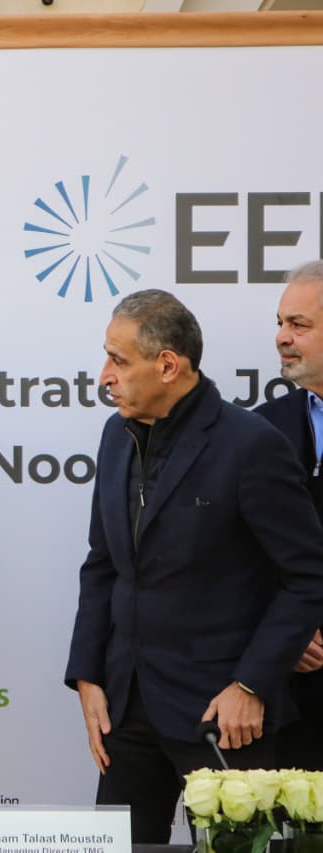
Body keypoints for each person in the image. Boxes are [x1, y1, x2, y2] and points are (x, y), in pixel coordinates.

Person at [65, 288, 323, 842]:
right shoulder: (116, 435)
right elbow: (102, 563)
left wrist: (251, 684)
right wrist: (88, 675)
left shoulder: (251, 445)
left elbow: (307, 577)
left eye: (118, 360)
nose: (105, 376)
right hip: (126, 710)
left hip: (224, 716)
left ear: (167, 365)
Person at [256, 260, 323, 769]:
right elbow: (237, 555)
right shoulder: (261, 431)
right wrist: (286, 633)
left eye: (298, 325)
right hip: (293, 694)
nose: (282, 337)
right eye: (281, 323)